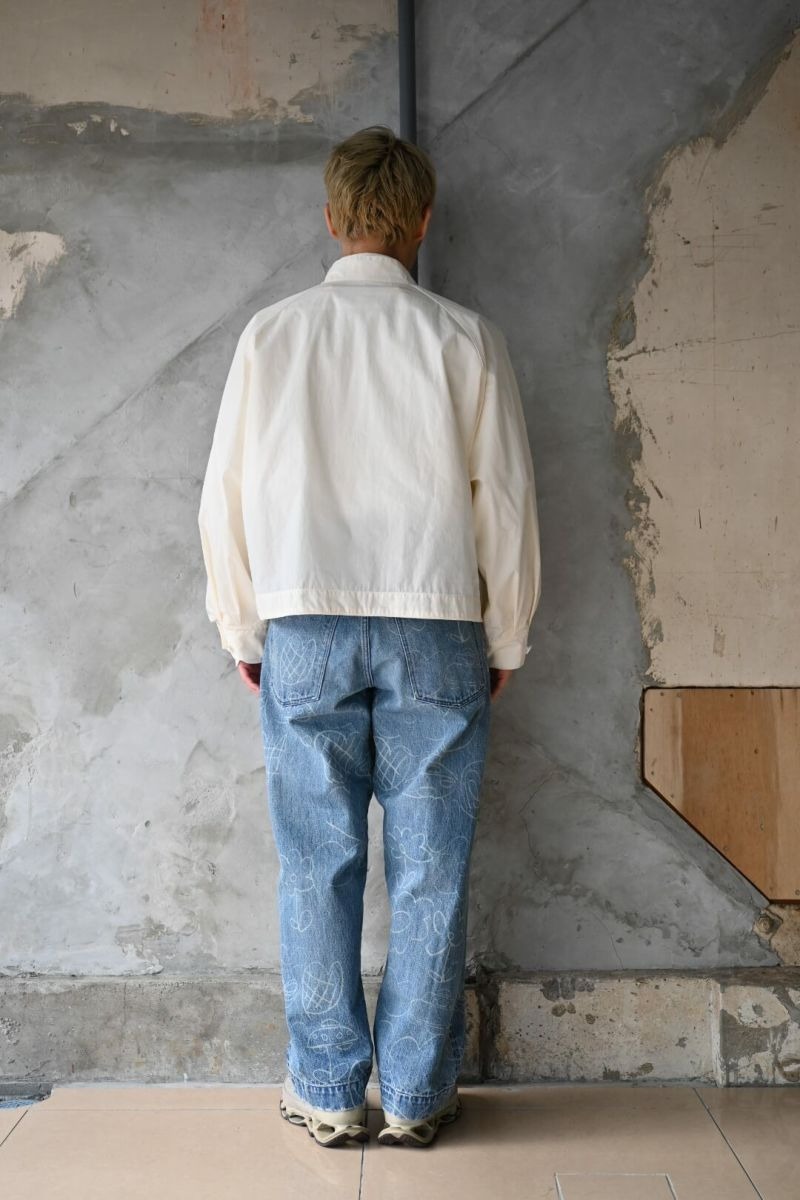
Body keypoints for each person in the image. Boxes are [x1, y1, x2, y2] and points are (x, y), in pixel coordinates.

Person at [197, 125, 541, 1149]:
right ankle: (420, 1097)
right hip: (436, 620)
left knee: (316, 861)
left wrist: (241, 624)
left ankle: (327, 1091)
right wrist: (506, 635)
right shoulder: (464, 338)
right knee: (431, 867)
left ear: (331, 216)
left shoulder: (272, 336)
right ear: (421, 221)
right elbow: (504, 502)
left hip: (303, 618)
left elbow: (224, 499)